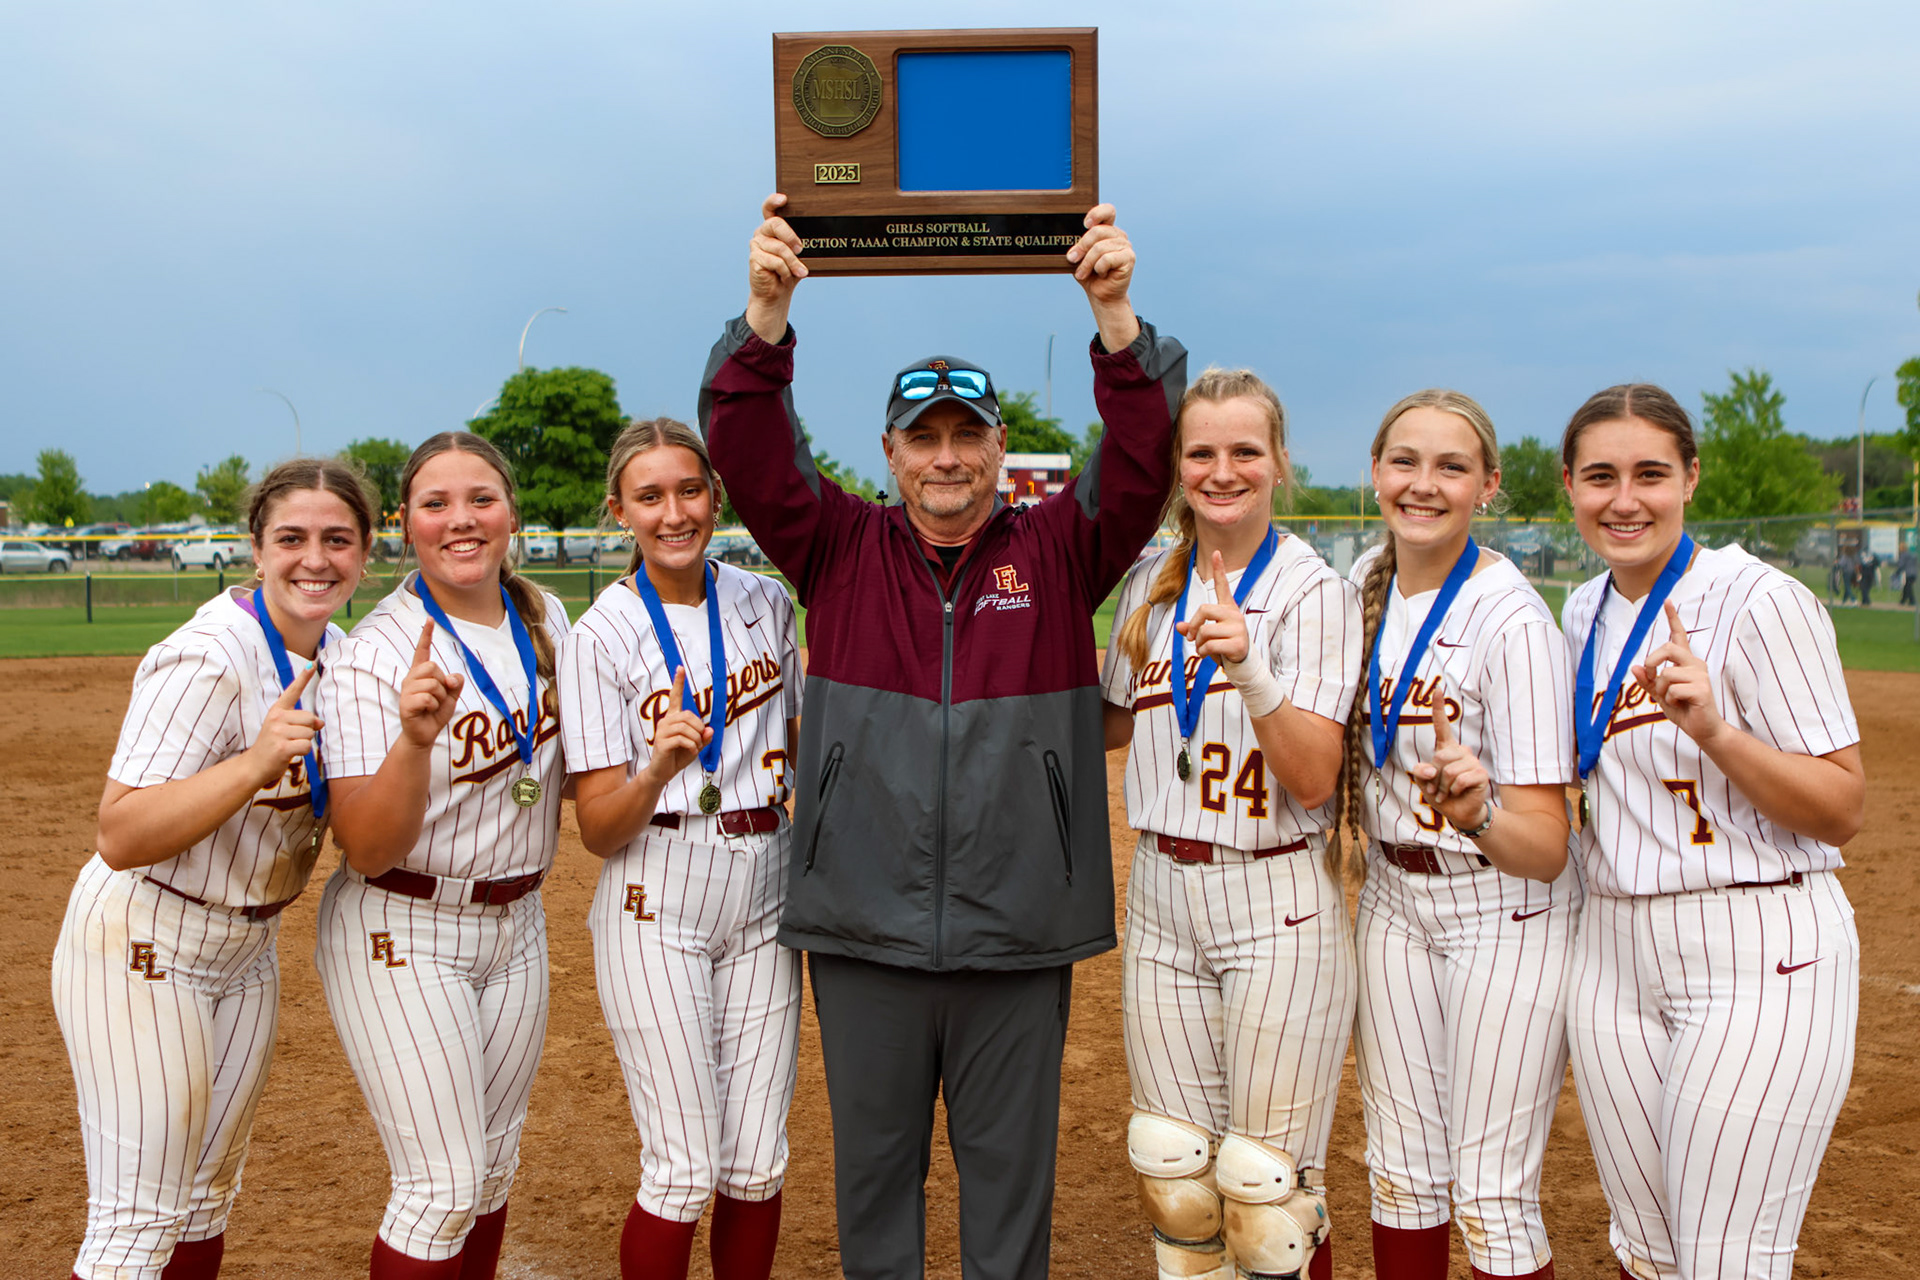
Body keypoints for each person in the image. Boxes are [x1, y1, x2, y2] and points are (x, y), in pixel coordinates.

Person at [697, 194, 1183, 1280]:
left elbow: (1146, 459)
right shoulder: (835, 545)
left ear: (1002, 447)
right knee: (875, 1184)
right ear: (890, 451)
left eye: (969, 435)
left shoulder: (1060, 549)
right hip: (864, 926)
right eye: (925, 438)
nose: (948, 457)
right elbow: (745, 445)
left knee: (1009, 1186)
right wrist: (766, 315)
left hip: (1019, 926)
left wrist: (1115, 319)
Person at [1559, 385, 1862, 1280]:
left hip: (1755, 944)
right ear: (1570, 485)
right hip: (1611, 953)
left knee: (1727, 1256)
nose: (1625, 500)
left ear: (1690, 478)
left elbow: (1842, 805)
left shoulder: (1760, 600)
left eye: (1651, 474)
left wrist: (1717, 734)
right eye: (1601, 476)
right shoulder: (1581, 611)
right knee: (1647, 1252)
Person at [51, 458, 377, 1280]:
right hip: (145, 934)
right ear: (256, 550)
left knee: (203, 1201)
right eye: (291, 539)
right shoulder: (208, 656)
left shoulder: (342, 656)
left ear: (367, 553)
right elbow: (120, 832)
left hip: (246, 949)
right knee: (138, 1219)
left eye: (337, 540)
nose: (315, 559)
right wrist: (253, 764)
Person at [1100, 369, 1362, 1280]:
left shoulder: (1312, 591)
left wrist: (1251, 669)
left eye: (1245, 451)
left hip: (1273, 892)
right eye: (1201, 452)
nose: (1223, 471)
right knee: (1176, 1178)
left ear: (1280, 462)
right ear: (1177, 465)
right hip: (1161, 897)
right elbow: (1108, 720)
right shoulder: (1151, 582)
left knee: (1266, 1194)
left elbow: (1314, 777)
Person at [313, 431, 570, 1279]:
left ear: (510, 514)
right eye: (436, 504)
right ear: (405, 523)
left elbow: (564, 772)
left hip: (517, 922)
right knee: (442, 1186)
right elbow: (366, 845)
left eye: (480, 499)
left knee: (491, 1173)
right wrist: (415, 742)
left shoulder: (544, 618)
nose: (461, 519)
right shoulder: (377, 652)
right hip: (404, 922)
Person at [1334, 391, 1576, 1280]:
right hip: (1393, 901)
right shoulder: (1361, 585)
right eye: (1405, 461)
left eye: (1451, 467)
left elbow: (1547, 847)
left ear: (1488, 486)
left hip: (1501, 907)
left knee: (1491, 1195)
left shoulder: (1512, 619)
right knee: (1400, 1174)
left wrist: (1480, 813)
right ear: (1375, 472)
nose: (1423, 484)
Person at [556, 419, 802, 1280]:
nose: (674, 513)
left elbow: (802, 737)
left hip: (767, 874)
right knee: (684, 1167)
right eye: (650, 496)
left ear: (716, 497)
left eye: (690, 490)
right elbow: (597, 828)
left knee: (757, 1160)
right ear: (619, 509)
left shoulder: (765, 600)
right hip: (657, 887)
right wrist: (658, 766)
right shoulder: (599, 635)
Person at [1897, 537, 1917, 607]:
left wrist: (1897, 572)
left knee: (1908, 587)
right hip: (1914, 573)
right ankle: (1903, 600)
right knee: (1907, 587)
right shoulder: (1911, 554)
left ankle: (1912, 601)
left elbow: (1901, 565)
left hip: (1909, 573)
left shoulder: (1903, 555)